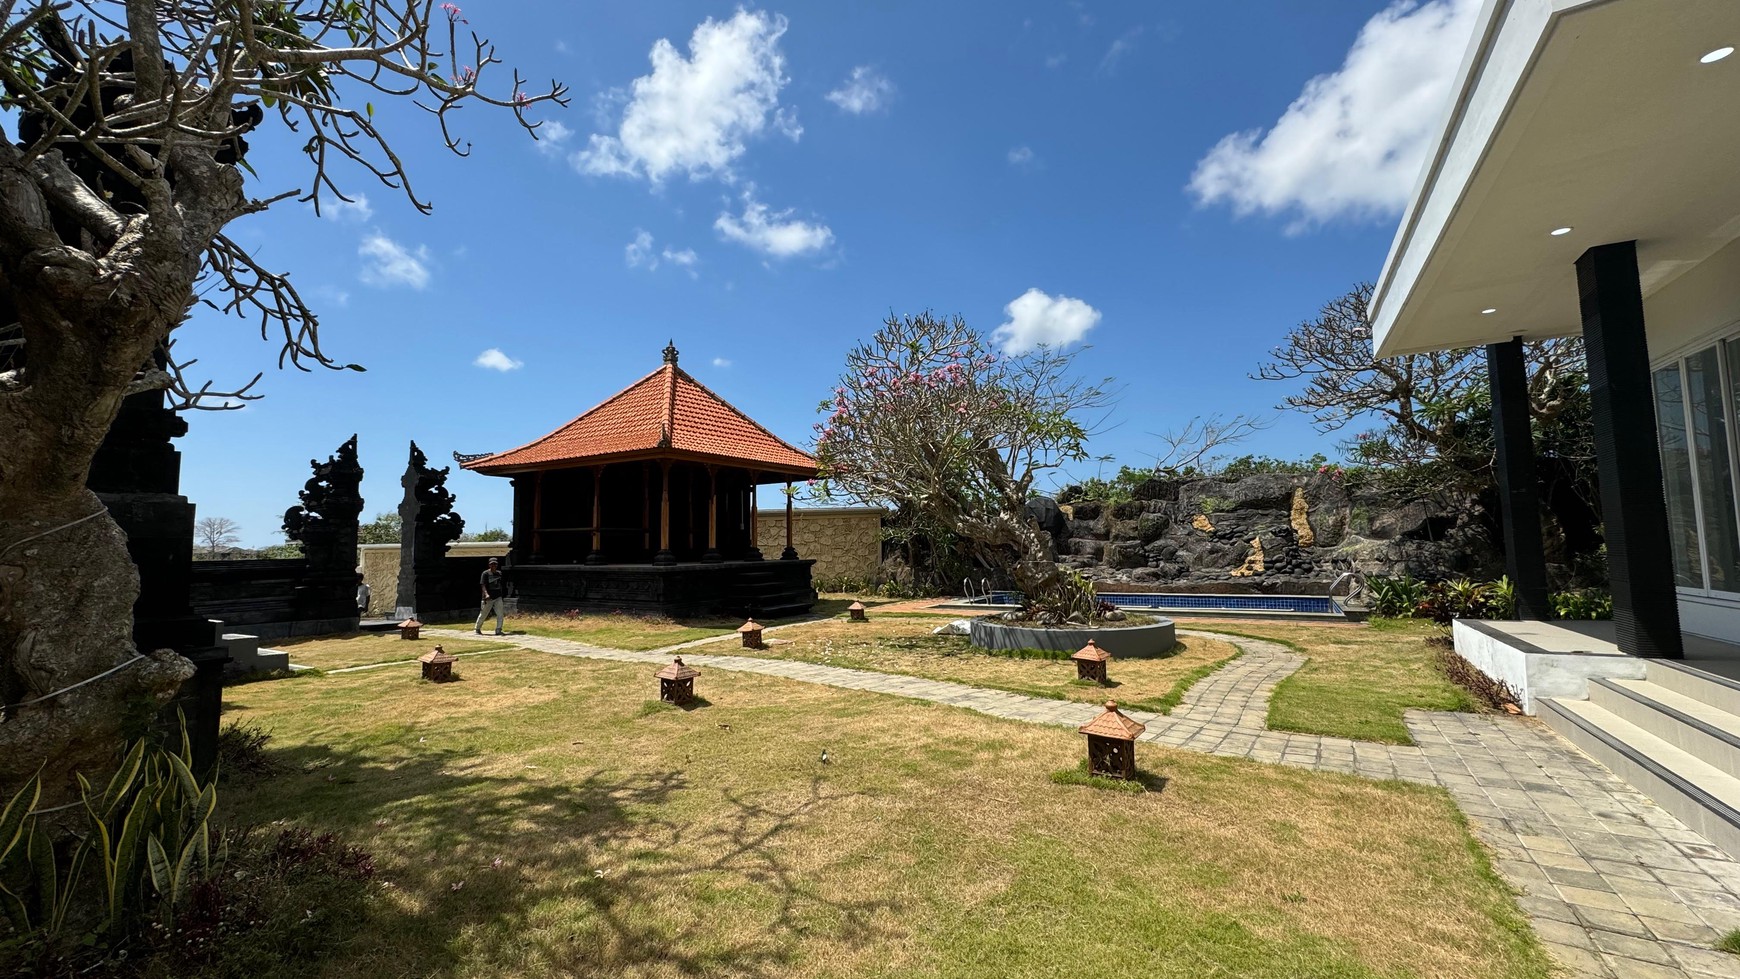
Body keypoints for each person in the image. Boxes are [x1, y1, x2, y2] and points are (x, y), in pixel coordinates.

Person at [476, 557, 508, 635]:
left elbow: (501, 584)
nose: (493, 565)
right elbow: (483, 585)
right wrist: (486, 594)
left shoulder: (499, 573)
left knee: (500, 614)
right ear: (489, 565)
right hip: (488, 598)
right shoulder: (485, 573)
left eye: (495, 564)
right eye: (492, 564)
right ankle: (477, 628)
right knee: (484, 613)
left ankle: (498, 629)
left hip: (498, 596)